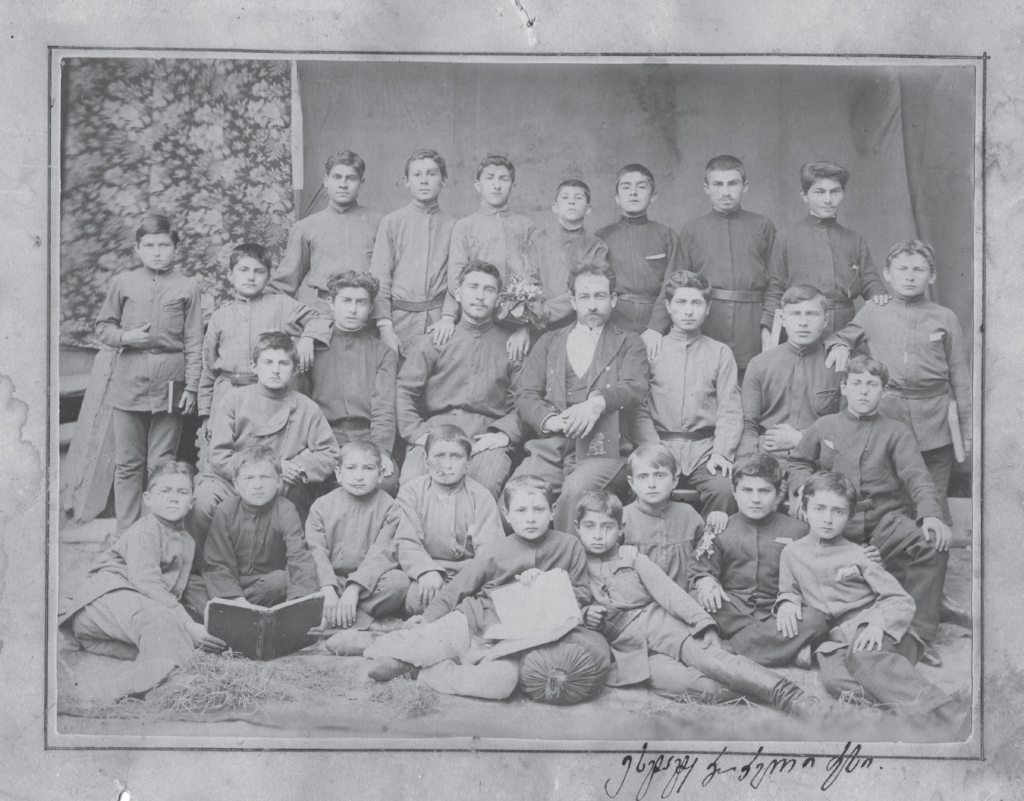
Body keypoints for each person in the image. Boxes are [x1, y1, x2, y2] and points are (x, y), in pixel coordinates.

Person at [576, 490, 823, 715]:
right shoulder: (574, 566)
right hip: (633, 652)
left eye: (607, 527)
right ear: (577, 528)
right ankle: (761, 693)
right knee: (686, 686)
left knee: (716, 663)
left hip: (668, 630)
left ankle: (790, 697)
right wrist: (587, 614)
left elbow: (670, 594)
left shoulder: (632, 558)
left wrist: (703, 623)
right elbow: (573, 607)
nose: (598, 535)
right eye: (590, 526)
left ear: (621, 529)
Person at [363, 475, 595, 700]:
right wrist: (429, 617)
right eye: (521, 511)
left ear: (553, 511)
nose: (531, 518)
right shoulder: (496, 550)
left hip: (514, 641)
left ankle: (424, 673)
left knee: (501, 685)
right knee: (421, 643)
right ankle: (381, 648)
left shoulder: (569, 545)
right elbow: (459, 588)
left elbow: (583, 594)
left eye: (539, 509)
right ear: (507, 514)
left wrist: (546, 583)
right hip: (475, 619)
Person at [787, 355, 950, 666]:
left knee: (931, 542)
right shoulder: (825, 425)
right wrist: (801, 491)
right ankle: (820, 632)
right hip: (835, 521)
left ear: (883, 392)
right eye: (857, 384)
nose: (864, 392)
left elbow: (916, 475)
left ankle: (917, 635)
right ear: (845, 387)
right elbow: (798, 461)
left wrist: (930, 513)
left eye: (872, 385)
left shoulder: (896, 431)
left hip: (882, 520)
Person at [776, 472, 968, 735]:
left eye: (838, 511)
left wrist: (877, 624)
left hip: (886, 632)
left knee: (862, 655)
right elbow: (788, 589)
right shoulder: (792, 553)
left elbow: (898, 598)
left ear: (849, 515)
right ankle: (924, 707)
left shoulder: (858, 553)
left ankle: (947, 713)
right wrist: (787, 601)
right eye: (819, 508)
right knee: (834, 680)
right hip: (838, 639)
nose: (828, 519)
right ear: (804, 508)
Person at [824, 239, 972, 536]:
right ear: (887, 274)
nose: (909, 275)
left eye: (918, 269)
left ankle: (932, 562)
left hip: (936, 424)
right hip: (887, 419)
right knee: (891, 501)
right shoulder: (873, 311)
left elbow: (960, 377)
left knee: (933, 501)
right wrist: (840, 346)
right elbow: (842, 336)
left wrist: (968, 432)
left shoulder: (945, 317)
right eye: (901, 269)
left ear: (931, 276)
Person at [57, 462, 225, 699]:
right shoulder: (145, 528)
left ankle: (159, 679)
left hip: (109, 633)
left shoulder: (186, 541)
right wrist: (188, 623)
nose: (174, 498)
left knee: (179, 641)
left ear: (192, 502)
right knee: (162, 620)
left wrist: (216, 614)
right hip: (104, 599)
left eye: (182, 492)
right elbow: (146, 582)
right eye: (165, 491)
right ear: (148, 498)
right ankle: (114, 692)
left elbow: (188, 586)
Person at [512, 260, 649, 532]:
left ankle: (567, 568)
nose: (593, 305)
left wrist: (598, 403)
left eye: (600, 296)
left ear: (613, 299)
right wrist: (551, 421)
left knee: (576, 493)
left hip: (604, 449)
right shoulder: (550, 341)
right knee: (518, 495)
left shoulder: (629, 342)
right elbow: (525, 394)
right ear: (573, 302)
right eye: (584, 297)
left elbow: (635, 387)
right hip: (552, 446)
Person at [95, 214, 202, 534]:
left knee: (161, 463)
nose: (157, 252)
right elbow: (103, 327)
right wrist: (124, 338)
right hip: (129, 383)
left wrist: (192, 386)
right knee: (128, 464)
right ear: (137, 248)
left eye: (164, 245)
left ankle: (158, 531)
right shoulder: (123, 282)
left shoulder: (188, 286)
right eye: (150, 245)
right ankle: (126, 535)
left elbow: (195, 340)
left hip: (171, 381)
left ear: (176, 248)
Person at [192, 331, 340, 543]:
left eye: (283, 364)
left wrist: (296, 467)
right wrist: (273, 467)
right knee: (203, 501)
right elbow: (219, 456)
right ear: (254, 367)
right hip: (234, 481)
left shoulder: (306, 407)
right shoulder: (233, 400)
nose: (275, 370)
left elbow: (330, 453)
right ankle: (209, 565)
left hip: (280, 487)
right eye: (268, 362)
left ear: (295, 369)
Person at [688, 453, 830, 666]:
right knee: (693, 599)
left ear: (778, 493)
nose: (755, 499)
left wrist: (793, 601)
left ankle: (731, 648)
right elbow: (700, 569)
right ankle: (782, 647)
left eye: (764, 491)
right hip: (732, 609)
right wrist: (705, 581)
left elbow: (813, 579)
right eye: (747, 490)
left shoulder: (799, 530)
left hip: (778, 612)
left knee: (815, 619)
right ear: (734, 492)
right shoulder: (720, 528)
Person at [397, 261, 523, 499]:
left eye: (489, 290)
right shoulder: (438, 338)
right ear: (458, 292)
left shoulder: (510, 344)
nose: (480, 296)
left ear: (498, 299)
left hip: (486, 435)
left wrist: (503, 435)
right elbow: (404, 390)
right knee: (414, 483)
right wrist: (417, 433)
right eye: (473, 287)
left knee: (484, 485)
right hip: (437, 430)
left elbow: (524, 401)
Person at [634, 270, 740, 519]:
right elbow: (637, 408)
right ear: (669, 307)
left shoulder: (720, 352)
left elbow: (730, 409)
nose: (689, 311)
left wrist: (721, 452)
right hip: (658, 446)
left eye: (696, 303)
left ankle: (708, 552)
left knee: (725, 490)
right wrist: (653, 449)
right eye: (681, 303)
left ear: (708, 308)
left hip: (704, 450)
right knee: (640, 489)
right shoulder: (650, 350)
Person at [198, 242, 331, 419]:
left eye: (259, 271)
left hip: (271, 399)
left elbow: (322, 319)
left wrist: (308, 337)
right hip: (227, 399)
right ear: (230, 275)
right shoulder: (219, 317)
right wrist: (206, 414)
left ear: (268, 277)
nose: (250, 277)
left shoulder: (282, 305)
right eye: (243, 270)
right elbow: (209, 370)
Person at [761, 161, 889, 343]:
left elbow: (870, 283)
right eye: (819, 192)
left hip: (845, 333)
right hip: (801, 330)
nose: (828, 200)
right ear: (804, 195)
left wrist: (878, 294)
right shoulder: (786, 237)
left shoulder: (854, 239)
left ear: (843, 193)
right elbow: (775, 289)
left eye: (835, 192)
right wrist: (769, 332)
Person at [433, 155, 543, 361]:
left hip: (516, 323)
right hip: (477, 318)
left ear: (513, 186)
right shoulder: (465, 226)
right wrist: (448, 316)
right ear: (477, 185)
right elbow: (456, 278)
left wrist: (526, 327)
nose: (496, 185)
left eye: (503, 179)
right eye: (489, 178)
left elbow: (534, 279)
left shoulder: (526, 226)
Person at [305, 441, 412, 648]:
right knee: (303, 582)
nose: (359, 476)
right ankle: (371, 624)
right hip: (331, 582)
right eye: (351, 468)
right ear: (338, 473)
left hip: (367, 587)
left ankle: (332, 621)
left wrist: (353, 589)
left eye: (368, 468)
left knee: (398, 582)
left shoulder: (390, 507)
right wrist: (327, 588)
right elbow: (315, 549)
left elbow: (382, 553)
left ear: (381, 475)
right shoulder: (322, 506)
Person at [677, 155, 776, 374]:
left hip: (752, 324)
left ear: (745, 186)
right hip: (708, 323)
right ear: (706, 188)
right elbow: (680, 287)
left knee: (752, 386)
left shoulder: (763, 226)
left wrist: (767, 325)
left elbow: (776, 282)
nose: (725, 192)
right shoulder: (692, 230)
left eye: (733, 183)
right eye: (717, 184)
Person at [394, 424, 505, 615]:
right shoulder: (410, 493)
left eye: (456, 456)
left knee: (491, 599)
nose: (446, 465)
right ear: (425, 459)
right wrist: (426, 571)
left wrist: (466, 583)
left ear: (469, 462)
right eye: (439, 456)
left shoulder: (481, 496)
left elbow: (489, 550)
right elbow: (406, 542)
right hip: (429, 578)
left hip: (469, 577)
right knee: (415, 598)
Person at [306, 270, 398, 496]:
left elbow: (384, 408)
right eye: (346, 300)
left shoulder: (382, 352)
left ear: (371, 308)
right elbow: (299, 404)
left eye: (361, 302)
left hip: (366, 440)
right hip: (322, 441)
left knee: (384, 482)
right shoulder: (312, 348)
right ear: (331, 303)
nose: (353, 309)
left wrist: (381, 451)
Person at [739, 284, 843, 482]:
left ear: (825, 320)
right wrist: (748, 465)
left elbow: (847, 428)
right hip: (765, 459)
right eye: (795, 314)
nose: (803, 322)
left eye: (812, 314)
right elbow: (748, 424)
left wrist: (801, 438)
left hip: (818, 463)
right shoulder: (760, 364)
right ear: (782, 320)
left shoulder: (837, 366)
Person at [201, 446, 319, 608]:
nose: (257, 485)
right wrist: (236, 598)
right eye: (249, 478)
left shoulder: (285, 510)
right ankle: (237, 607)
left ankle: (237, 612)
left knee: (282, 580)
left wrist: (304, 601)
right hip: (231, 584)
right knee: (194, 584)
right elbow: (217, 563)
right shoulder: (225, 511)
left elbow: (298, 556)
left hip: (265, 585)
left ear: (279, 481)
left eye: (265, 477)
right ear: (236, 484)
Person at [270, 150, 383, 313]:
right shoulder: (306, 227)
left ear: (361, 183)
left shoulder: (379, 223)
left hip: (367, 315)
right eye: (337, 177)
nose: (343, 184)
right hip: (323, 316)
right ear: (326, 181)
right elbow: (284, 284)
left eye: (351, 178)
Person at [369, 149, 456, 358]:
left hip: (439, 325)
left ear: (444, 180)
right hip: (398, 324)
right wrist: (385, 327)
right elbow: (379, 279)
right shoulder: (392, 223)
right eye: (417, 175)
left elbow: (457, 279)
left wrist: (448, 317)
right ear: (406, 181)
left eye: (432, 174)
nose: (424, 181)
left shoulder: (454, 226)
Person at [595, 163, 684, 356]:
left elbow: (674, 285)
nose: (633, 193)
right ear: (617, 198)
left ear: (653, 196)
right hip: (613, 323)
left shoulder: (666, 235)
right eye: (626, 187)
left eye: (641, 187)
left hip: (656, 325)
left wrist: (656, 328)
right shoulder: (601, 237)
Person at [621, 443, 705, 589]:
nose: (652, 484)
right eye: (643, 477)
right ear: (631, 482)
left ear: (674, 480)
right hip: (641, 600)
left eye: (659, 475)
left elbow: (704, 557)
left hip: (684, 596)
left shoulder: (688, 514)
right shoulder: (623, 517)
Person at [534, 179, 610, 330]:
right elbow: (531, 278)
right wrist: (535, 311)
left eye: (578, 198)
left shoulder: (596, 245)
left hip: (579, 323)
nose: (571, 202)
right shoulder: (538, 239)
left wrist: (547, 310)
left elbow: (589, 287)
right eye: (565, 197)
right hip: (538, 323)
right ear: (554, 207)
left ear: (588, 209)